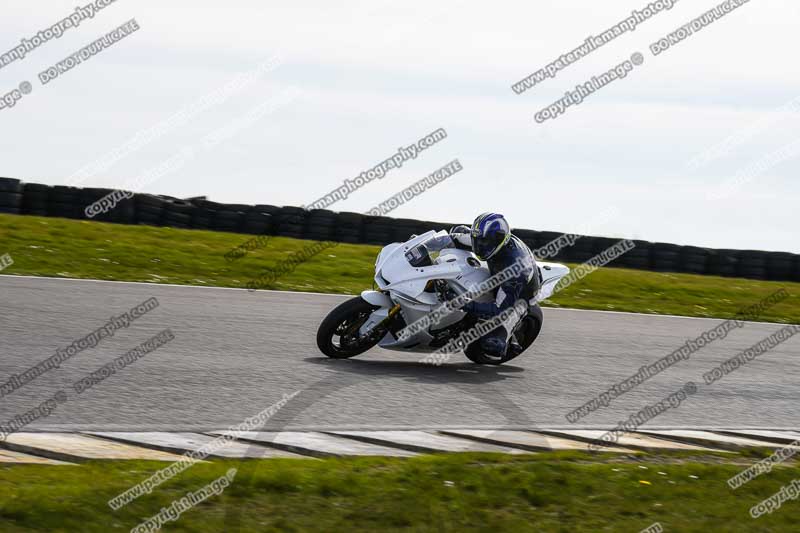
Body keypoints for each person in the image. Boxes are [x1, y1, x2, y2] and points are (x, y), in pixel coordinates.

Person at [406, 213, 540, 358]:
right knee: (458, 231)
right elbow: (452, 238)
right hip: (496, 271)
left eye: (484, 242)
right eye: (477, 240)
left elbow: (500, 309)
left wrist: (463, 304)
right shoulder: (485, 239)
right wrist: (422, 246)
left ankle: (509, 340)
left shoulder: (515, 270)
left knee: (493, 345)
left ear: (498, 240)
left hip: (519, 294)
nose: (480, 246)